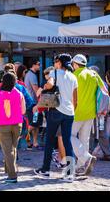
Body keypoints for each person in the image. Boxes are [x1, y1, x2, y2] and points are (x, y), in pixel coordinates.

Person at [34, 54, 77, 182]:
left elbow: (50, 85)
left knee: (49, 140)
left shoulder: (55, 72)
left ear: (59, 62)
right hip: (69, 113)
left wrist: (44, 87)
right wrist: (72, 111)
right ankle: (70, 173)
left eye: (55, 61)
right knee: (67, 142)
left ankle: (45, 170)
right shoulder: (73, 77)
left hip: (56, 110)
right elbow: (75, 99)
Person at [71, 54, 107, 176]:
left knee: (69, 136)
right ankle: (80, 166)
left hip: (76, 112)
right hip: (91, 112)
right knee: (84, 139)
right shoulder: (94, 74)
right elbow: (104, 91)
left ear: (75, 64)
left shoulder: (75, 75)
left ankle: (86, 158)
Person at [0, 72, 26, 184]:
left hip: (3, 124)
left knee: (7, 150)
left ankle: (12, 176)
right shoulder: (19, 93)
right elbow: (23, 111)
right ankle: (9, 169)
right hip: (17, 124)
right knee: (13, 148)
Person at [36, 66, 67, 169]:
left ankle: (62, 162)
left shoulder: (50, 82)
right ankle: (61, 160)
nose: (46, 77)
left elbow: (38, 93)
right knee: (61, 137)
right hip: (65, 111)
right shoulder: (66, 80)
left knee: (58, 137)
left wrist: (44, 87)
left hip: (54, 111)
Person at [90, 66, 110, 161]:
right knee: (101, 133)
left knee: (92, 133)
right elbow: (106, 99)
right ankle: (107, 154)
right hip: (101, 113)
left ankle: (88, 154)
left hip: (96, 113)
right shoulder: (103, 83)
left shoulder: (95, 83)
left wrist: (99, 111)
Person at [24, 59, 42, 150]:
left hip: (31, 103)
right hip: (33, 103)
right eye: (38, 64)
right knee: (34, 123)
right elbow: (36, 90)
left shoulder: (29, 74)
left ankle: (35, 142)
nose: (40, 65)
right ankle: (24, 134)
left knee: (36, 123)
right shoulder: (32, 75)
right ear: (33, 65)